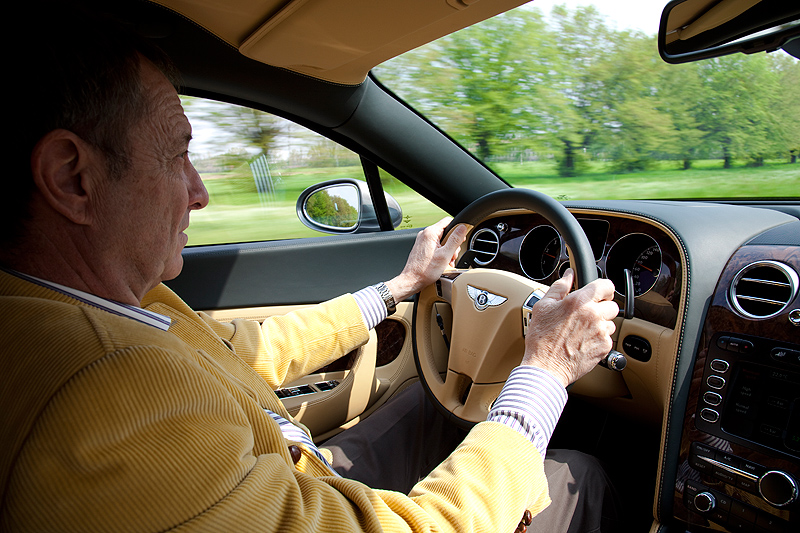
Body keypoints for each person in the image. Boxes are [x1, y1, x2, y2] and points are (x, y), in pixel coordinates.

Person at [1, 4, 620, 532]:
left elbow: (252, 351)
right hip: (296, 491)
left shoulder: (112, 309)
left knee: (424, 407)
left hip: (288, 474)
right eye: (176, 156)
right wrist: (542, 370)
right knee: (578, 474)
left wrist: (401, 287)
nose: (200, 192)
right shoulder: (107, 389)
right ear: (72, 178)